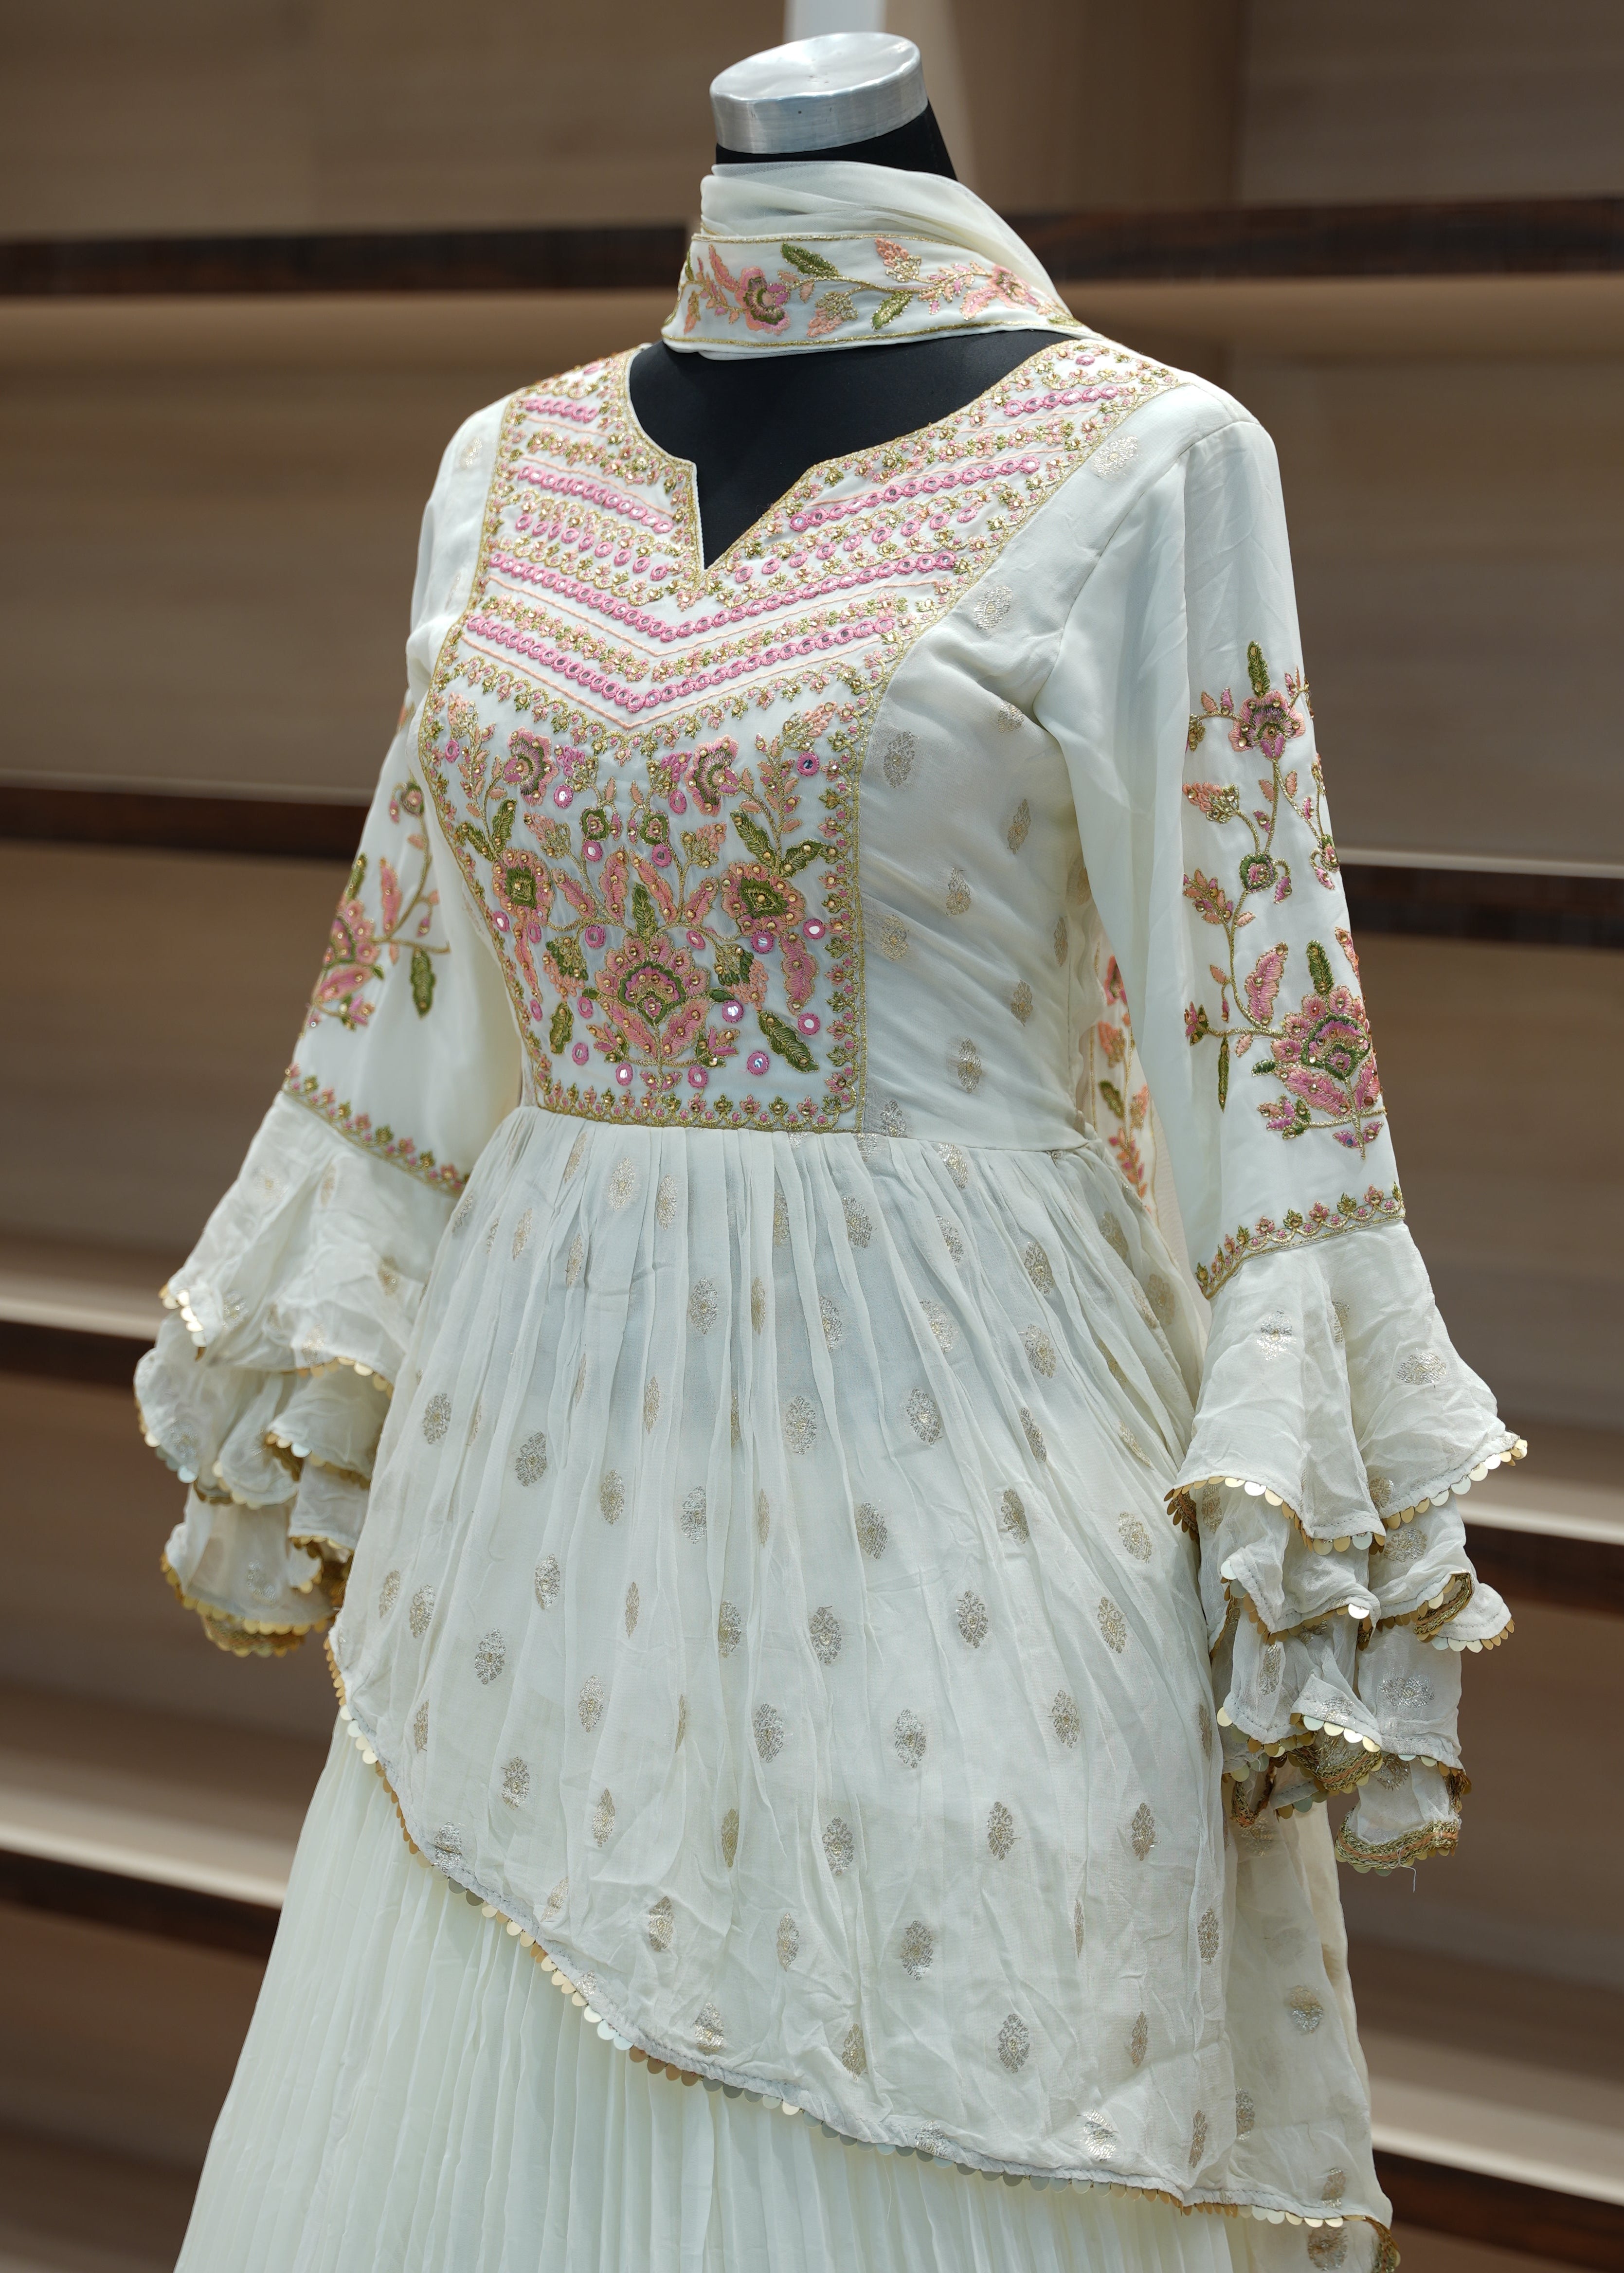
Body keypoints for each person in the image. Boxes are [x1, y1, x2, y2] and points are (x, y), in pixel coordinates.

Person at [139, 35, 1521, 2272]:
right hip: (541, 1485)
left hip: (958, 1463)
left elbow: (1266, 1038)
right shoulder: (499, 469)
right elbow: (416, 998)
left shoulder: (1153, 463)